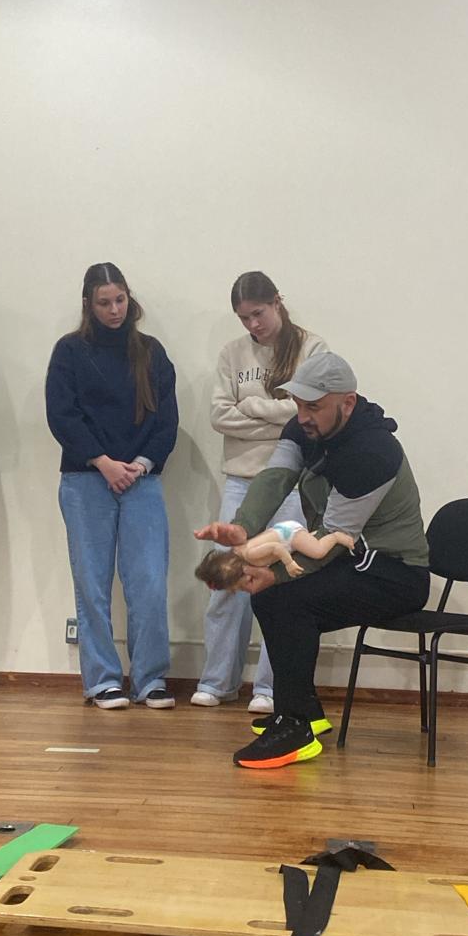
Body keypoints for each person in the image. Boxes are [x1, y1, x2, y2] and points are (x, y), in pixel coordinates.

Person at [195, 353, 430, 769]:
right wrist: (242, 528)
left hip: (394, 573)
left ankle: (295, 727)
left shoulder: (373, 452)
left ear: (348, 403)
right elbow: (276, 478)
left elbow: (331, 540)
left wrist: (272, 573)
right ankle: (304, 711)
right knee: (274, 597)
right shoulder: (302, 427)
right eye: (299, 404)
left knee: (286, 600)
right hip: (354, 559)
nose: (302, 416)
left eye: (314, 406)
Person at [191, 271, 327, 714]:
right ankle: (217, 682)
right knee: (226, 581)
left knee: (282, 583)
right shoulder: (232, 353)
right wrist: (278, 416)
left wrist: (250, 406)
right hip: (240, 480)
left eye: (259, 313)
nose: (253, 325)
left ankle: (270, 687)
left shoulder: (312, 349)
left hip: (291, 483)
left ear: (277, 302)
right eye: (244, 318)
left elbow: (308, 414)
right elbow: (219, 417)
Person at [46, 263, 178, 710]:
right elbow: (62, 415)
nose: (114, 309)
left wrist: (139, 465)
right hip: (86, 478)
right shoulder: (69, 351)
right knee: (92, 585)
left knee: (148, 582)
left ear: (128, 298)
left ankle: (150, 679)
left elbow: (166, 420)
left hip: (142, 479)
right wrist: (103, 463)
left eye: (120, 299)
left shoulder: (151, 352)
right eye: (104, 303)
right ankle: (102, 680)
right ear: (89, 304)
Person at [195, 524, 355, 588]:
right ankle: (312, 538)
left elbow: (276, 547)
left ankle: (336, 537)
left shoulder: (250, 555)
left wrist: (289, 563)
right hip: (283, 533)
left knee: (318, 552)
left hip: (290, 535)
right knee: (309, 547)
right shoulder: (238, 551)